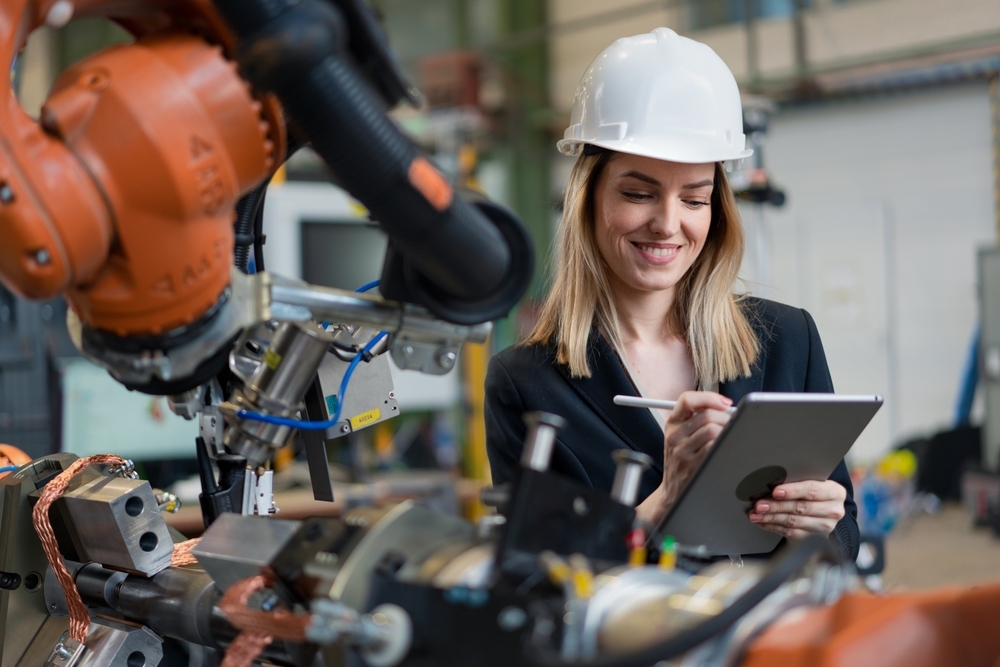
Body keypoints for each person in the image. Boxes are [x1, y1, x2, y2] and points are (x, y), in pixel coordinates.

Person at [484, 28, 859, 560]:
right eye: (638, 194)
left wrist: (819, 526)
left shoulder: (786, 341)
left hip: (764, 637)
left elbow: (844, 546)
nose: (667, 224)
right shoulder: (526, 384)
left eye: (694, 200)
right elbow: (532, 579)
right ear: (587, 199)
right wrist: (661, 504)